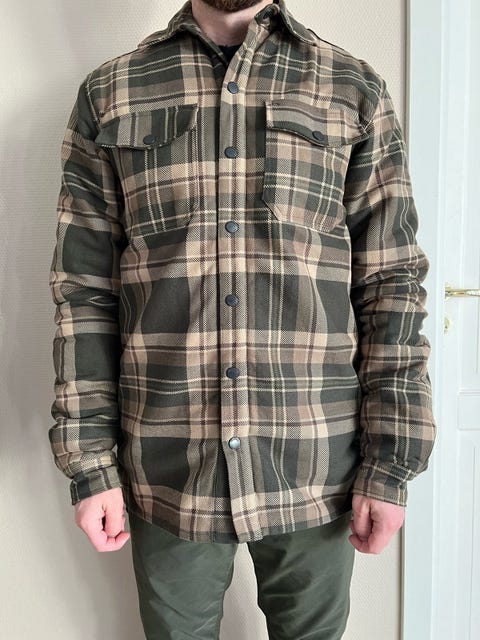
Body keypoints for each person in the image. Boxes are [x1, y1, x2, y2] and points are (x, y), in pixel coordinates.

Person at [47, 0, 436, 638]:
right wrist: (90, 463)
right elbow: (84, 293)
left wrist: (390, 464)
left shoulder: (352, 88)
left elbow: (390, 283)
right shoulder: (110, 93)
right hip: (167, 467)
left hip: (317, 465)